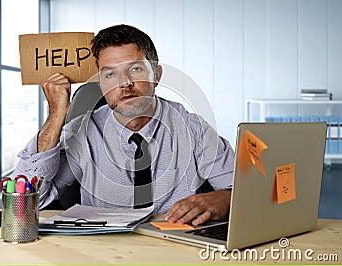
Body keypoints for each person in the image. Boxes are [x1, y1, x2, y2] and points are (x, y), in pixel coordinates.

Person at [13, 24, 235, 226]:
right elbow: (23, 204)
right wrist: (56, 115)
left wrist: (225, 198)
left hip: (173, 245)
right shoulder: (81, 132)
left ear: (156, 75)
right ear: (100, 83)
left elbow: (247, 194)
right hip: (100, 250)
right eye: (110, 74)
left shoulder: (191, 128)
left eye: (136, 69)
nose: (124, 83)